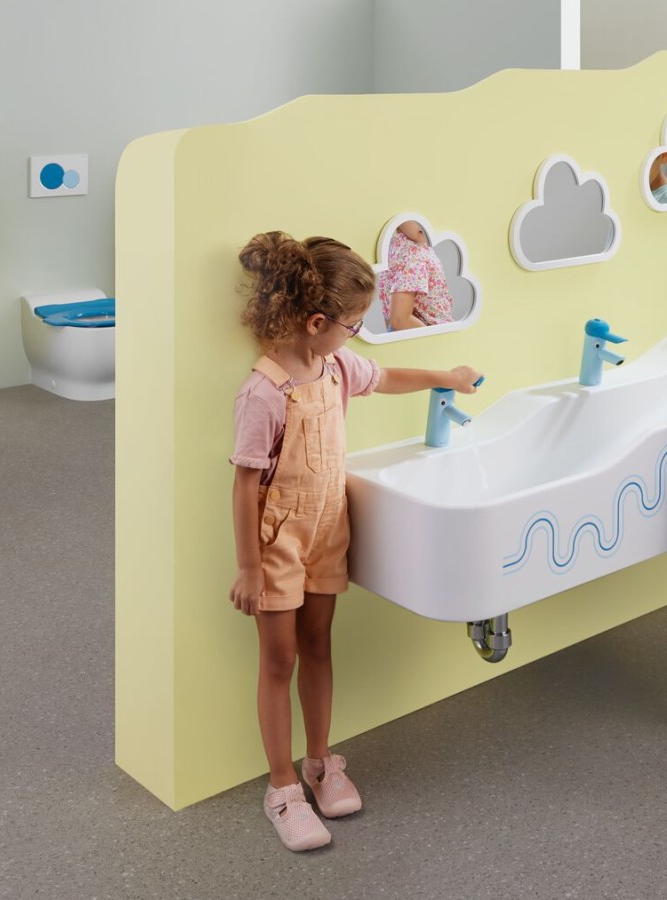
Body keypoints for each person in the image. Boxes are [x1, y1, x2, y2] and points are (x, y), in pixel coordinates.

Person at [230, 231, 481, 850]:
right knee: (279, 659)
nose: (357, 334)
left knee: (319, 645)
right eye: (353, 324)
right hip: (279, 541)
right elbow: (244, 484)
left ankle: (320, 761)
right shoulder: (264, 390)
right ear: (316, 323)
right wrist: (251, 569)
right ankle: (282, 787)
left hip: (328, 528)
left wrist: (446, 375)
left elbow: (387, 376)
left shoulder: (337, 367)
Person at [378, 220, 454, 331]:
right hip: (427, 334)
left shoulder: (412, 247)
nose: (422, 221)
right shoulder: (411, 253)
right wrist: (435, 337)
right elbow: (400, 320)